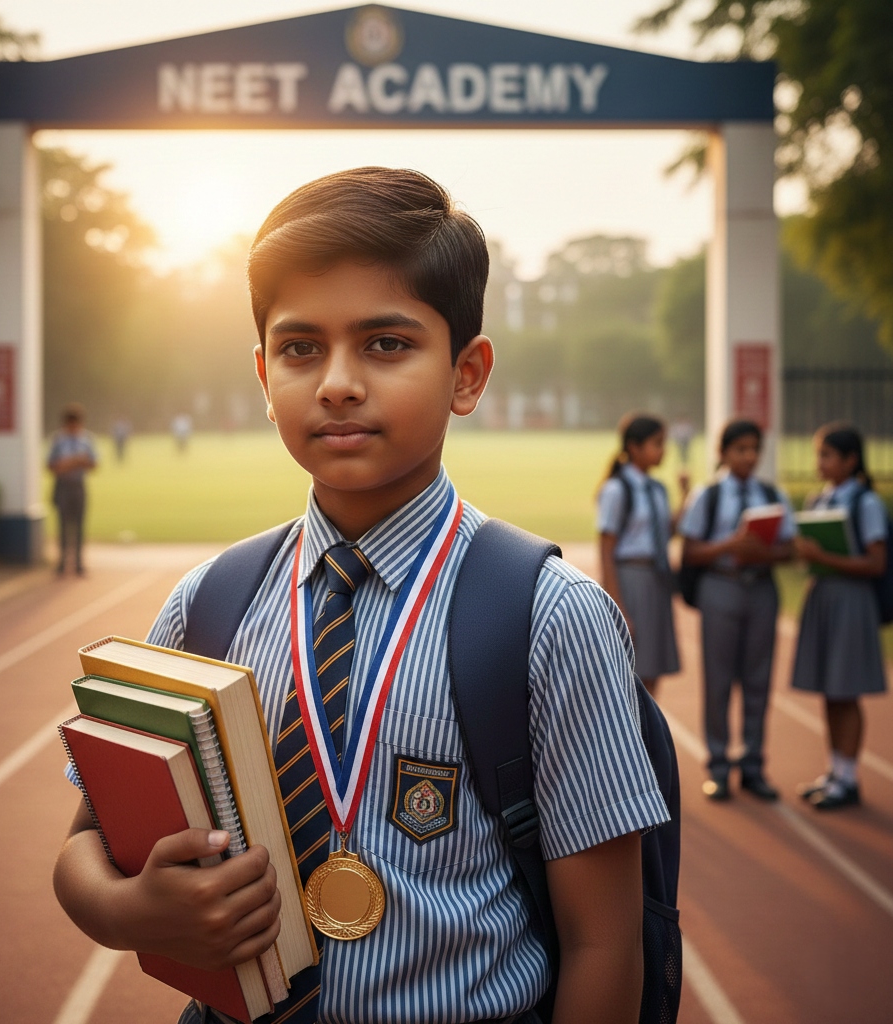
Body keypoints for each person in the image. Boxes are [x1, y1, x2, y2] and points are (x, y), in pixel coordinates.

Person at [52, 168, 669, 1024]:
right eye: (303, 349)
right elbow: (85, 845)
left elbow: (604, 942)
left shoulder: (550, 617)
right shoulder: (209, 606)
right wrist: (127, 911)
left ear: (467, 372)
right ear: (265, 376)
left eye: (386, 344)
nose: (338, 381)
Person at [678, 420, 795, 802]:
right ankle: (718, 766)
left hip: (761, 588)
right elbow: (691, 550)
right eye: (740, 449)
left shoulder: (771, 494)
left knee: (759, 680)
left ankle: (754, 765)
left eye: (754, 450)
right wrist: (731, 545)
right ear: (723, 452)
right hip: (721, 586)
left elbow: (791, 549)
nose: (748, 457)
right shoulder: (708, 496)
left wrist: (763, 553)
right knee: (719, 679)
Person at [791, 423, 888, 810]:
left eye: (828, 455)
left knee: (846, 690)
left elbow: (876, 562)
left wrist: (822, 557)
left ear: (851, 460)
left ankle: (849, 777)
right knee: (830, 689)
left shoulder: (865, 503)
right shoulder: (819, 499)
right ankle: (835, 771)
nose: (820, 463)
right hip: (825, 597)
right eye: (819, 455)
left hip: (851, 600)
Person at [596, 414, 687, 697]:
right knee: (632, 667)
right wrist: (617, 604)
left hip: (657, 579)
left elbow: (662, 534)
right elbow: (606, 547)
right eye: (656, 443)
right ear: (634, 447)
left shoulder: (657, 489)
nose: (664, 450)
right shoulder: (617, 489)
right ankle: (631, 736)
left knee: (653, 664)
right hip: (632, 578)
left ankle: (647, 737)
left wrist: (685, 498)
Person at [47, 402, 97, 577]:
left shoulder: (86, 439)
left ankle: (78, 562)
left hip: (79, 486)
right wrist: (73, 462)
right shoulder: (58, 441)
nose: (74, 428)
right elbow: (51, 465)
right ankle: (62, 562)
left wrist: (78, 463)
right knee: (62, 525)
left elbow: (94, 464)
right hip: (63, 486)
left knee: (80, 525)